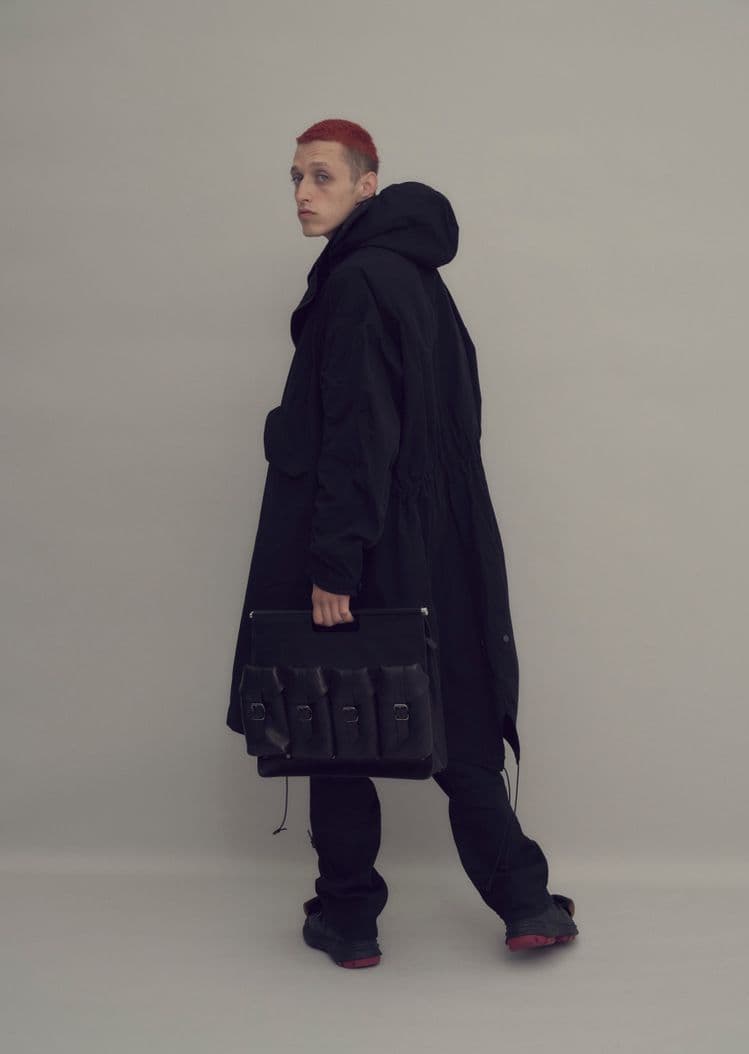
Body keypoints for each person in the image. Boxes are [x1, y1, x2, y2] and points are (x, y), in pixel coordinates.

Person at [227, 118, 579, 968]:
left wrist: (334, 564)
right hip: (440, 537)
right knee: (458, 713)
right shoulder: (420, 278)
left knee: (336, 713)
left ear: (367, 185)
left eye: (322, 176)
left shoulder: (356, 283)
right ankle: (526, 903)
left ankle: (349, 918)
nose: (303, 193)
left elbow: (358, 435)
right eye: (295, 177)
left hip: (372, 538)